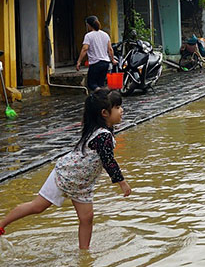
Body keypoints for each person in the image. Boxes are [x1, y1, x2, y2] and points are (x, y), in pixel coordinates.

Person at [0, 88, 132, 249]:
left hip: (82, 184)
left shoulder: (102, 131)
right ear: (104, 113)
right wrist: (122, 182)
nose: (121, 110)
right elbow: (108, 161)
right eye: (118, 107)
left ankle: (84, 254)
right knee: (38, 206)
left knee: (87, 218)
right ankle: (2, 224)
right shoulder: (102, 136)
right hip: (66, 175)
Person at [76, 16, 115, 91]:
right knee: (100, 83)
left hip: (95, 63)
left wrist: (79, 61)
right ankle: (102, 98)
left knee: (92, 84)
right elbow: (110, 49)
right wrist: (112, 60)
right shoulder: (105, 34)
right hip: (105, 63)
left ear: (88, 25)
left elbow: (85, 49)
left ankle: (101, 94)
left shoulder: (88, 36)